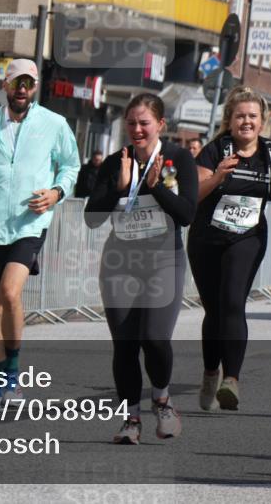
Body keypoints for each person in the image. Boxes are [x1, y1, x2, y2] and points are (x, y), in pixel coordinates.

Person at [84, 93, 197, 445]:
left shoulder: (178, 159)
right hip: (121, 262)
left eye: (144, 123)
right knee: (125, 344)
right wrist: (117, 189)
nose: (137, 129)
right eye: (131, 123)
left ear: (160, 124)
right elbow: (91, 218)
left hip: (164, 259)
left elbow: (187, 214)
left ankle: (162, 400)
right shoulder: (116, 162)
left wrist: (156, 187)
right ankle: (131, 419)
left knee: (155, 337)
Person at [0, 58, 80, 403]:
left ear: (35, 88)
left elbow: (71, 165)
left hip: (29, 222)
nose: (22, 89)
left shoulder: (54, 123)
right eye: (16, 82)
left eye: (28, 83)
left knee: (10, 292)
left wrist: (56, 192)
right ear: (5, 85)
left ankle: (13, 377)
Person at [187, 87, 271, 412]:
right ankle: (211, 373)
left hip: (247, 237)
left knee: (232, 302)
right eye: (240, 116)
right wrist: (218, 176)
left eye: (252, 116)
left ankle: (231, 380)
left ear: (262, 121)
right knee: (214, 310)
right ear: (230, 119)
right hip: (207, 238)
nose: (247, 122)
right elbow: (194, 194)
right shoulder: (215, 150)